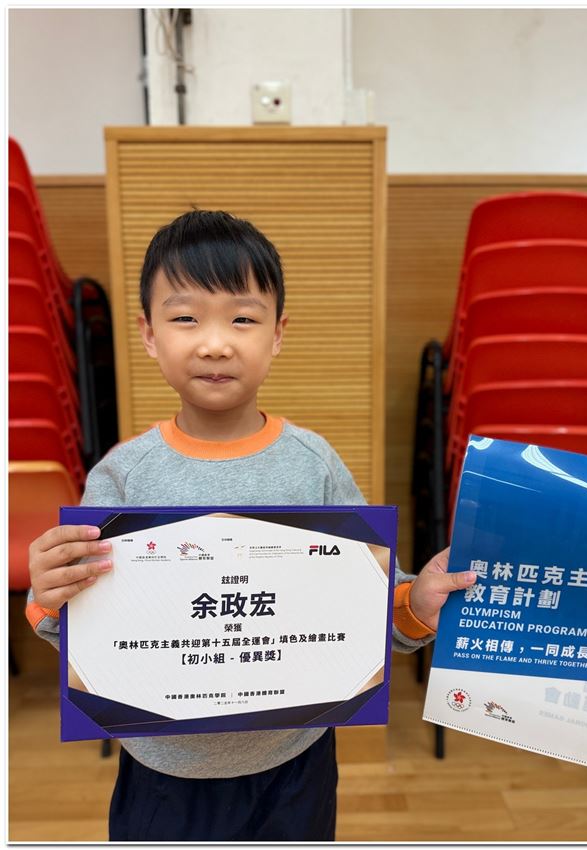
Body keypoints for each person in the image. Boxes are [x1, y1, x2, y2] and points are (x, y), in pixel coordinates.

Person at [27, 210, 477, 842]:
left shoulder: (314, 464)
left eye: (242, 318)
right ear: (149, 334)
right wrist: (49, 598)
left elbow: (370, 605)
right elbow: (81, 630)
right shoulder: (123, 476)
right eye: (185, 318)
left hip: (295, 760)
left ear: (277, 334)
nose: (215, 343)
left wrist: (416, 604)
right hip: (162, 767)